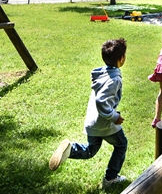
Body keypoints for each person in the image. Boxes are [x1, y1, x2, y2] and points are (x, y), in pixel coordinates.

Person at [49, 38, 129, 189]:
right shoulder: (114, 79)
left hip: (93, 122)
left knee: (90, 150)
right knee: (121, 145)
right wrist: (114, 117)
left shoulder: (102, 73)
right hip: (105, 123)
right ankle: (111, 178)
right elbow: (101, 101)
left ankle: (70, 149)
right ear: (121, 59)